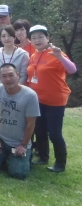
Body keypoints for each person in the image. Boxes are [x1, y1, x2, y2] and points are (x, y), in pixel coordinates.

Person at [27, 25, 77, 172]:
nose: (37, 40)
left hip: (55, 101)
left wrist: (60, 56)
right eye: (34, 38)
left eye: (40, 37)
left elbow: (72, 70)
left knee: (54, 133)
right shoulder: (33, 56)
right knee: (40, 130)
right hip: (38, 100)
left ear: (48, 38)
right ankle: (43, 157)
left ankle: (60, 164)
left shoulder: (56, 53)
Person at [0, 64, 40, 179]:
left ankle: (26, 154)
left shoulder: (30, 95)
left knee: (18, 174)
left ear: (18, 75)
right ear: (0, 78)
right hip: (1, 140)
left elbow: (31, 124)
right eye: (4, 76)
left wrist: (23, 145)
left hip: (20, 142)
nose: (8, 79)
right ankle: (5, 156)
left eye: (11, 75)